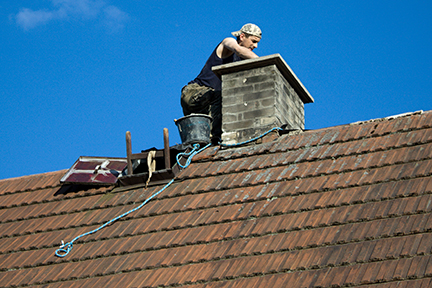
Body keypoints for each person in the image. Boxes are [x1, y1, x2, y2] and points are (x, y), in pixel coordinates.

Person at [181, 23, 262, 144]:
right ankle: (213, 135)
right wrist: (265, 63)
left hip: (208, 107)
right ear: (242, 36)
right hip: (194, 93)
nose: (255, 46)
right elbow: (239, 50)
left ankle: (212, 140)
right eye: (253, 41)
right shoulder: (227, 43)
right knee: (222, 96)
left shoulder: (242, 61)